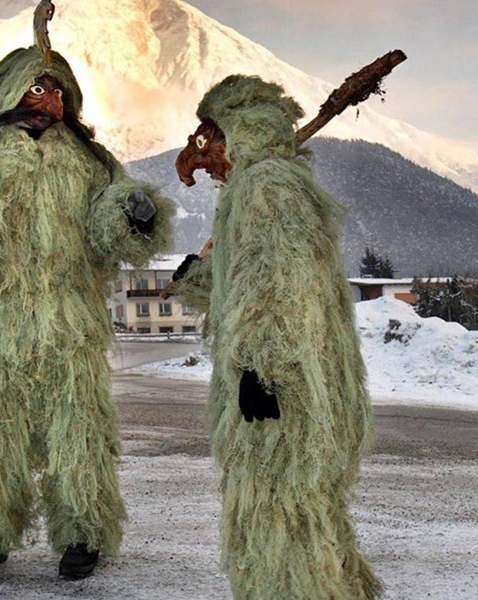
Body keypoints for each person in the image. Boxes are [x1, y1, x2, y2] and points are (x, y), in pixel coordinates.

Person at [0, 46, 173, 579]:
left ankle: (83, 533)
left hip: (68, 323)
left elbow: (107, 226)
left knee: (79, 430)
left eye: (59, 92)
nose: (50, 102)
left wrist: (134, 214)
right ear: (8, 90)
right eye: (39, 88)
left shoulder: (90, 161)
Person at [171, 75, 381, 599]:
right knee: (301, 507)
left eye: (207, 141)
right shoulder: (256, 186)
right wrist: (196, 276)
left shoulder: (267, 186)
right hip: (288, 374)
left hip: (285, 386)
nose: (202, 160)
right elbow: (241, 284)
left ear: (236, 133)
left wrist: (262, 369)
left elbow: (280, 283)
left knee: (278, 507)